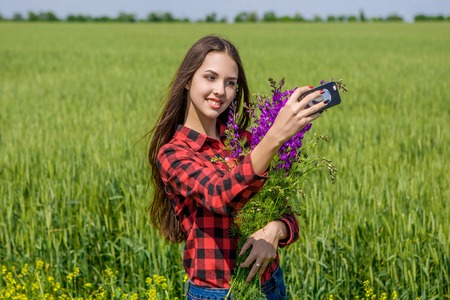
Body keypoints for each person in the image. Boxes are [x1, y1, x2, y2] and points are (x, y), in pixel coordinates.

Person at [147, 35, 328, 299]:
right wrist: (275, 137)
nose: (220, 90)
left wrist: (275, 230)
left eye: (229, 83)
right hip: (217, 293)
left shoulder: (244, 142)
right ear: (187, 80)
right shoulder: (174, 154)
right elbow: (219, 196)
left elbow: (286, 213)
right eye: (210, 77)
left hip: (269, 285)